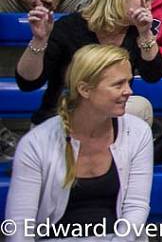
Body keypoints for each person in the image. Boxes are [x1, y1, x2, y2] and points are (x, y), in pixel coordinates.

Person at [4, 45, 153, 242]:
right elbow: (20, 227)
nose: (129, 91)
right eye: (118, 85)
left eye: (129, 82)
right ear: (84, 89)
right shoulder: (36, 142)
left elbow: (136, 206)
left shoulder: (137, 132)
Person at [15, 0, 162, 125]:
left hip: (110, 115)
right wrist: (39, 40)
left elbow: (153, 75)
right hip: (63, 116)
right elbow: (28, 83)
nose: (149, 8)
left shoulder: (136, 31)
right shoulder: (69, 27)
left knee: (141, 107)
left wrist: (146, 34)